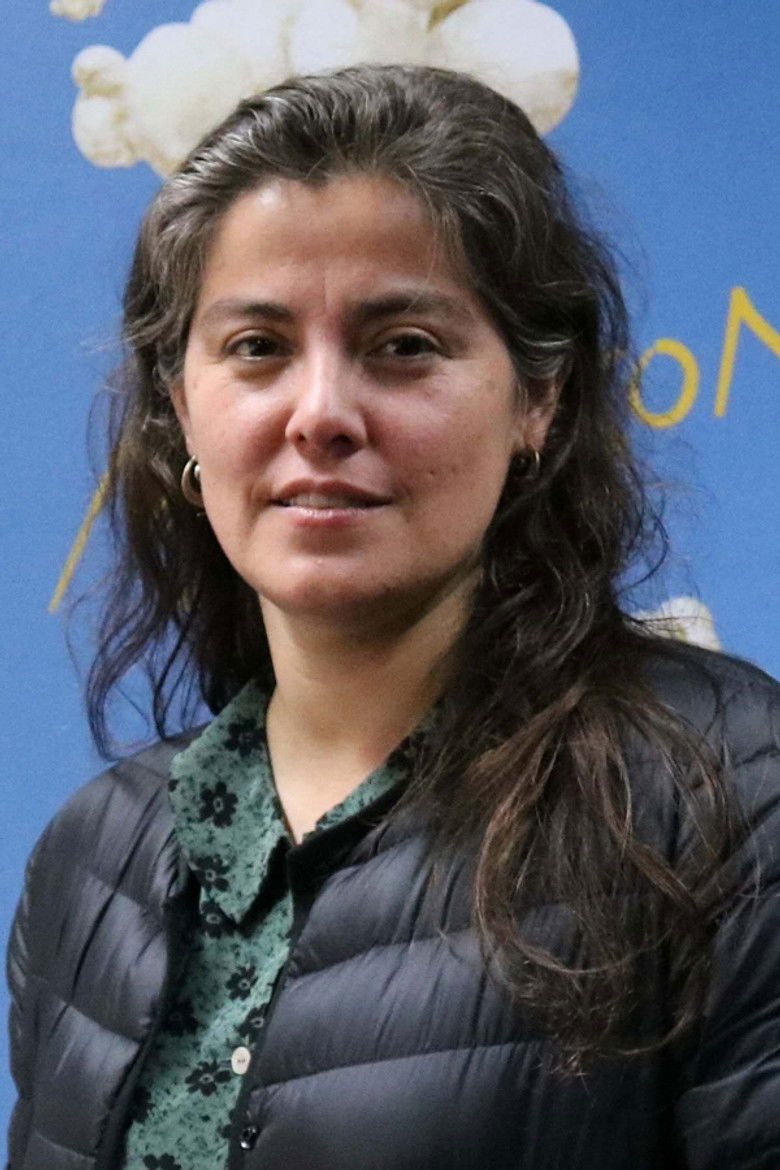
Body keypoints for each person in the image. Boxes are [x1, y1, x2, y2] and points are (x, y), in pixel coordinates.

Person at [6, 64, 780, 1170]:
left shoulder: (729, 803)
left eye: (404, 344)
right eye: (258, 347)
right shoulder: (89, 861)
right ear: (180, 404)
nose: (320, 414)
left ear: (540, 398)